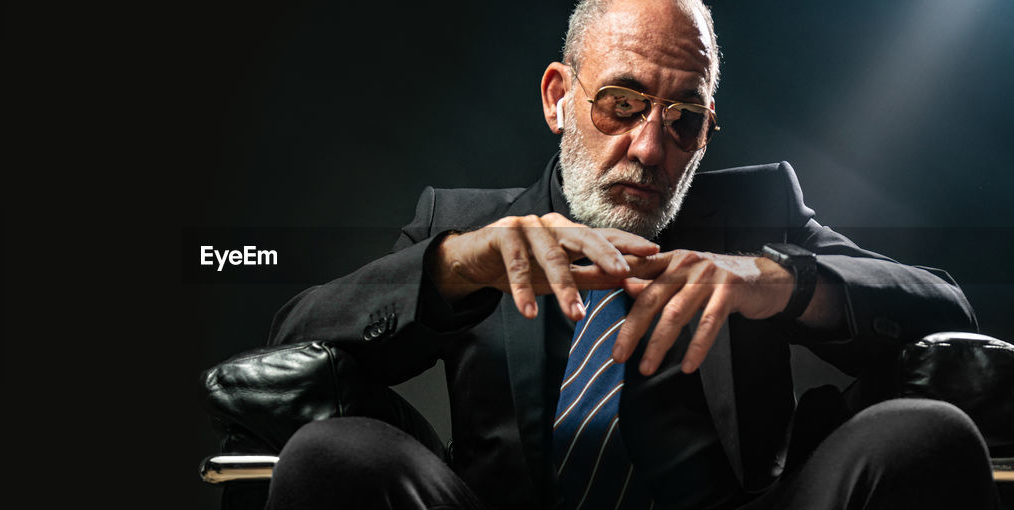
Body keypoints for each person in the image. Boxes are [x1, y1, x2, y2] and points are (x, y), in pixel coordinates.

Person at [261, 0, 999, 508]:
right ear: (558, 97)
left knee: (925, 436)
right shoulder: (462, 224)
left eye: (684, 120)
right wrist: (456, 265)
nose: (650, 148)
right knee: (335, 454)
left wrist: (785, 280)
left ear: (708, 130)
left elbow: (943, 307)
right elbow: (293, 340)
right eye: (621, 102)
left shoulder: (760, 211)